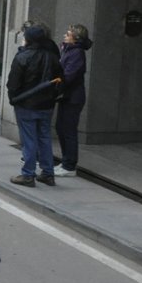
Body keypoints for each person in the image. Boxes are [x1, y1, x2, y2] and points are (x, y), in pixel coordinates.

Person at [6, 21, 63, 186]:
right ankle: (47, 172)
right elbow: (60, 81)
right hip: (47, 105)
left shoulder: (23, 57)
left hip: (26, 104)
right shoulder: (53, 57)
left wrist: (14, 98)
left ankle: (28, 174)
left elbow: (13, 83)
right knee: (44, 137)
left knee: (29, 139)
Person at [53, 23, 92, 176]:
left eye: (68, 33)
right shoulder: (68, 49)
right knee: (60, 128)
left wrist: (55, 84)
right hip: (67, 96)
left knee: (68, 130)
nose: (65, 35)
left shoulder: (77, 53)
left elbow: (68, 76)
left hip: (73, 98)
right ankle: (65, 161)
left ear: (75, 38)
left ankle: (69, 166)